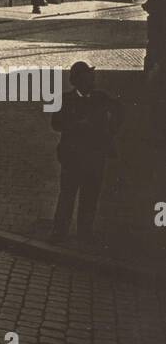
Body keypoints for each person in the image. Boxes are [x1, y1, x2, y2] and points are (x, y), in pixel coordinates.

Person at [50, 61, 122, 244]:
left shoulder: (101, 98)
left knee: (90, 199)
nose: (93, 79)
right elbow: (56, 123)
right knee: (67, 196)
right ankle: (59, 233)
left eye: (92, 76)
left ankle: (84, 234)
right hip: (72, 158)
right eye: (89, 76)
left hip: (94, 158)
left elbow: (119, 111)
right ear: (78, 80)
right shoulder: (65, 99)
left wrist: (111, 129)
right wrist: (76, 125)